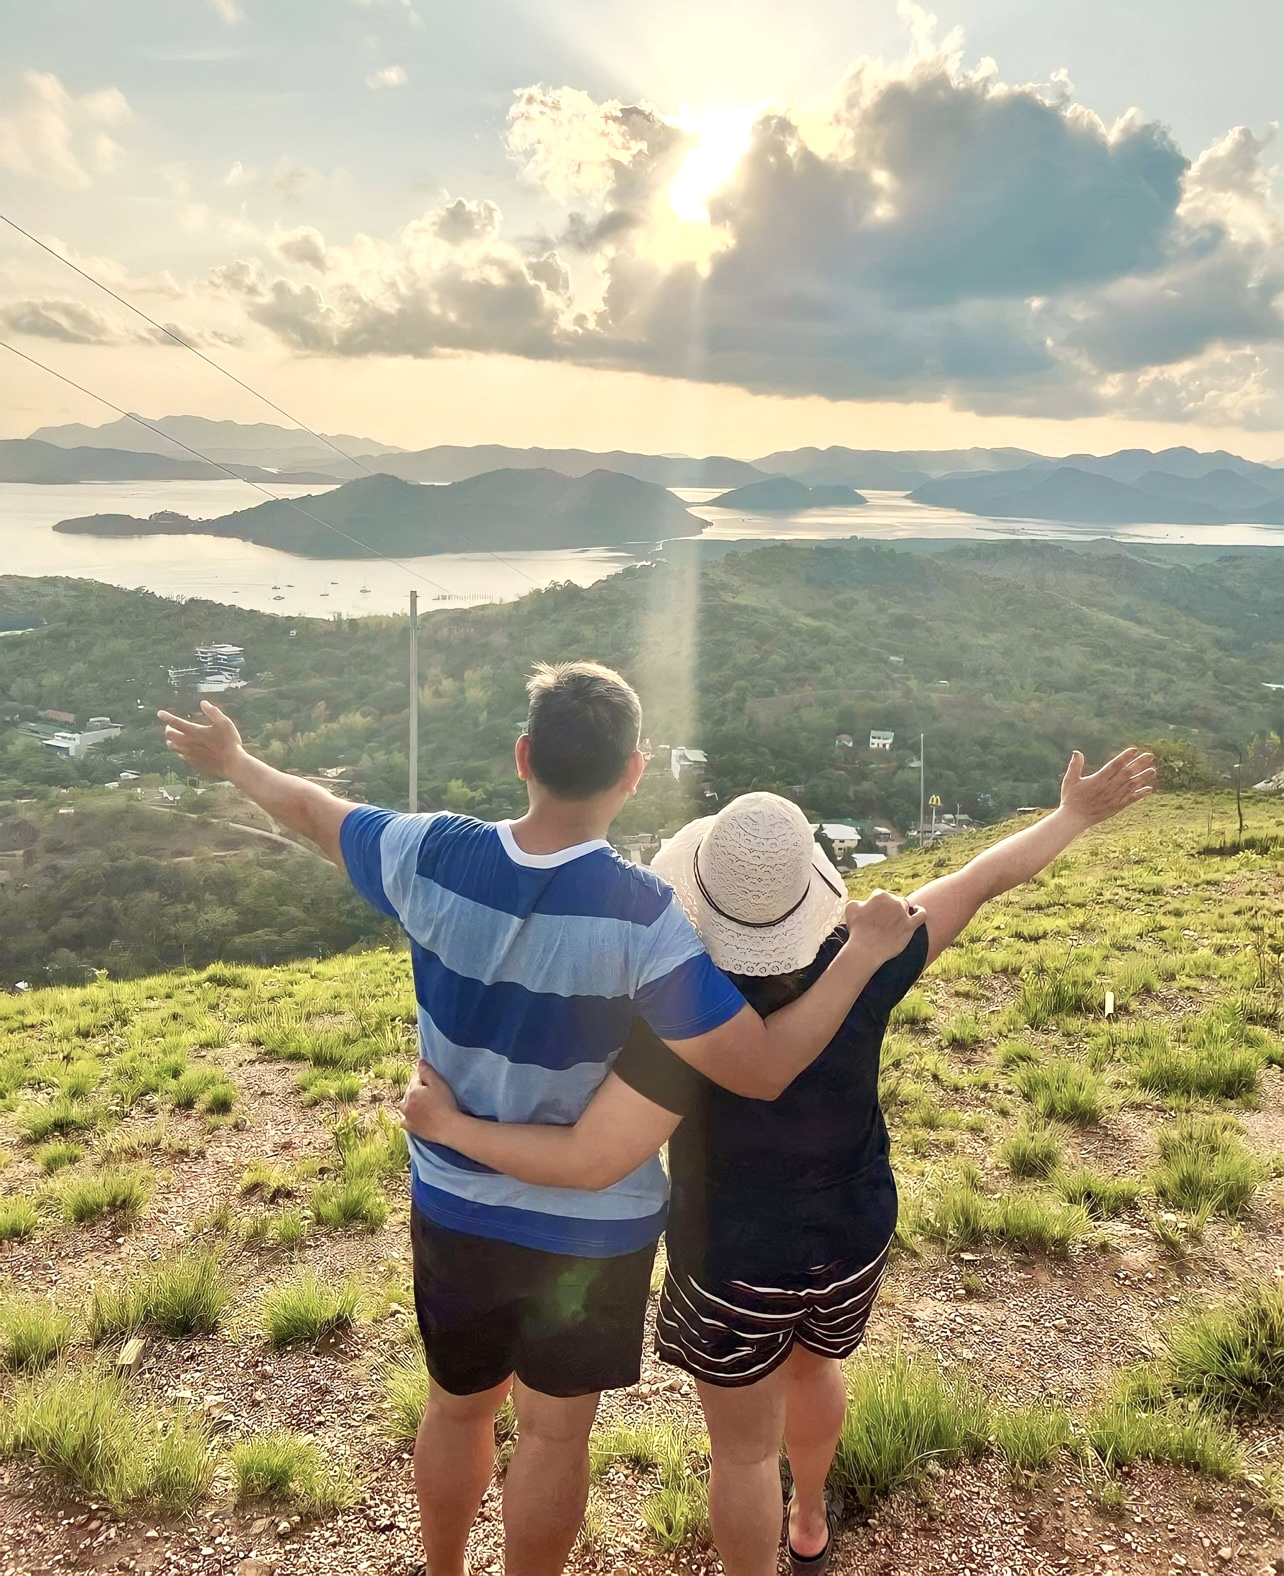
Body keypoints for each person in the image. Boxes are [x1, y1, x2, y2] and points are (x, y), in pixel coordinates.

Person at [157, 661, 923, 1576]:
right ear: (633, 773)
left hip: (455, 1208)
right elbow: (758, 1069)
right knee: (555, 1439)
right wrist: (859, 959)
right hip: (589, 1241)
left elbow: (316, 812)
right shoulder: (648, 918)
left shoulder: (429, 852)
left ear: (524, 756)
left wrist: (238, 762)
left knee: (455, 1408)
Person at [404, 747, 1155, 1576]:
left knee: (742, 1454)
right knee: (816, 1366)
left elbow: (596, 1136)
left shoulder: (677, 1000)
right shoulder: (866, 960)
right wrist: (1072, 816)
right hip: (853, 1231)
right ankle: (809, 1521)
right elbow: (979, 879)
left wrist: (451, 1121)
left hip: (733, 1256)